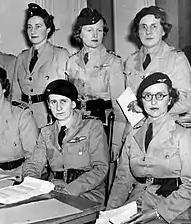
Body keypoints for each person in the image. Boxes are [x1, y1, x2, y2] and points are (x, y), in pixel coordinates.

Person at [107, 72, 191, 223]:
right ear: (141, 101)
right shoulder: (133, 135)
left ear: (170, 99)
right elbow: (122, 180)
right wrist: (109, 214)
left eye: (160, 95)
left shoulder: (183, 134)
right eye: (147, 96)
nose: (153, 101)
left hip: (173, 211)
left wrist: (158, 212)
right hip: (136, 205)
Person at [23, 80, 109, 204]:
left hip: (87, 192)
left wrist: (70, 190)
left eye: (63, 101)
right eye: (53, 102)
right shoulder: (46, 132)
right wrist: (32, 185)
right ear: (48, 105)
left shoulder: (92, 126)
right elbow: (34, 164)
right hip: (54, 189)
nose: (58, 107)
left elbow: (100, 168)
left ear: (73, 104)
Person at [66, 8, 127, 177]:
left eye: (100, 30)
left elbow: (120, 108)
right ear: (80, 33)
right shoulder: (71, 62)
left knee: (100, 173)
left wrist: (115, 142)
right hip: (78, 123)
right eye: (89, 30)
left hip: (103, 123)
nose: (95, 34)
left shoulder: (112, 62)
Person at [126, 6, 191, 126]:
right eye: (143, 27)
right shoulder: (130, 61)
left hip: (167, 129)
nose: (148, 32)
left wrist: (146, 107)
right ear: (137, 32)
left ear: (163, 31)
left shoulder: (177, 59)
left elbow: (186, 101)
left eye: (154, 26)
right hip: (136, 131)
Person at [12, 3, 69, 128]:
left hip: (49, 118)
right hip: (25, 119)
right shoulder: (21, 57)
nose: (33, 31)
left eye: (38, 26)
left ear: (48, 29)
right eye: (29, 27)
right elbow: (15, 94)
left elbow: (66, 94)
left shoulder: (60, 55)